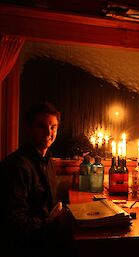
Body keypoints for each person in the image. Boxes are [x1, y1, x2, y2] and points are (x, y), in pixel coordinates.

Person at [0, 102, 77, 257]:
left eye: (53, 127)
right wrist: (52, 221)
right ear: (28, 129)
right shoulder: (17, 167)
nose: (49, 132)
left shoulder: (47, 160)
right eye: (41, 126)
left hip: (46, 237)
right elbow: (15, 224)